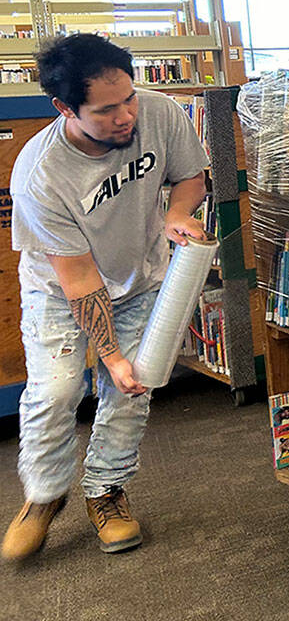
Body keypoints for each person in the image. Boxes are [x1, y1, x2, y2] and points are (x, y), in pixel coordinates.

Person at [2, 33, 209, 563]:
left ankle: (106, 491)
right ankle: (44, 495)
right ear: (64, 108)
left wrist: (178, 213)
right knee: (57, 390)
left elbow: (190, 177)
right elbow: (78, 280)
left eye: (129, 98)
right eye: (105, 109)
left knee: (131, 390)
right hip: (60, 290)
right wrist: (109, 355)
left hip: (139, 275)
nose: (126, 117)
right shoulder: (40, 174)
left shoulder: (160, 113)